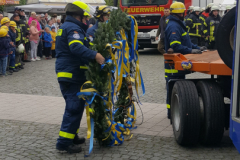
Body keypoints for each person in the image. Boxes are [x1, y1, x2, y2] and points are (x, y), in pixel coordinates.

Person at [55, 1, 105, 153]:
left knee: (75, 107)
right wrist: (95, 55)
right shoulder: (73, 28)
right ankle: (64, 143)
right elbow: (75, 47)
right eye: (85, 17)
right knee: (74, 108)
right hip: (72, 74)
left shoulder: (69, 26)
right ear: (79, 16)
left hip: (70, 73)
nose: (87, 20)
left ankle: (71, 136)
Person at [164, 2, 205, 119]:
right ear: (179, 13)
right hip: (173, 66)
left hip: (179, 64)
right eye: (183, 12)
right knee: (173, 89)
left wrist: (197, 48)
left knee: (177, 87)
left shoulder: (178, 24)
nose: (185, 13)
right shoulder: (173, 26)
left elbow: (186, 41)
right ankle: (171, 113)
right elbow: (176, 46)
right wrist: (190, 51)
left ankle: (173, 112)